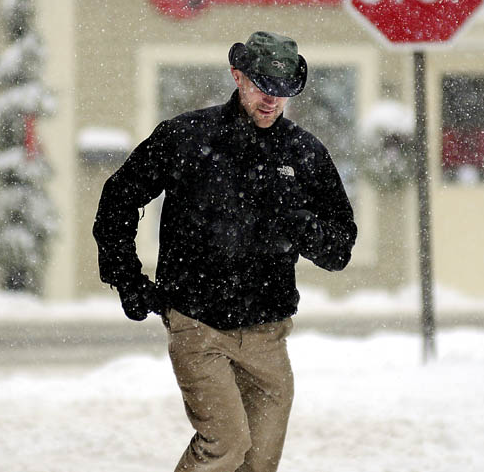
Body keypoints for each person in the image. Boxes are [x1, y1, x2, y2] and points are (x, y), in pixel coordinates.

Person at [93, 31, 357, 472]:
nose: (271, 100)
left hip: (268, 335)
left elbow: (340, 247)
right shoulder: (187, 139)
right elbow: (119, 196)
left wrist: (296, 220)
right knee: (225, 445)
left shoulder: (303, 153)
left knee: (258, 462)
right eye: (261, 86)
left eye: (283, 91)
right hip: (198, 324)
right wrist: (127, 278)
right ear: (237, 76)